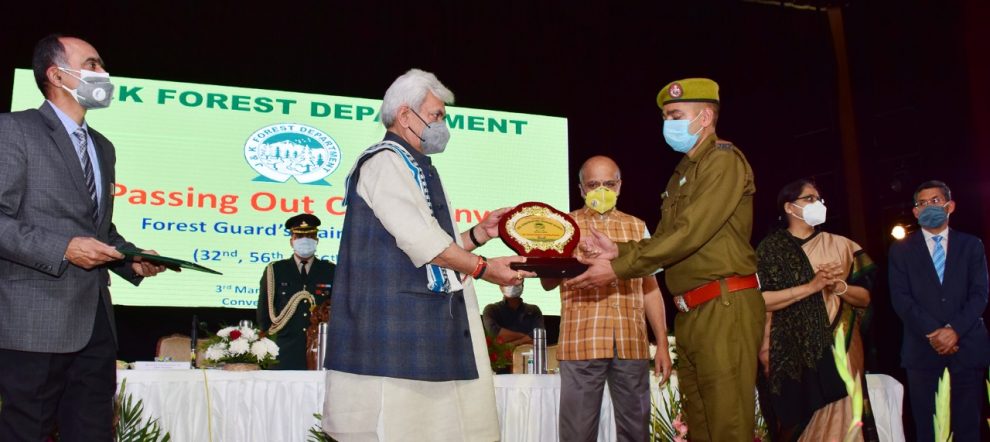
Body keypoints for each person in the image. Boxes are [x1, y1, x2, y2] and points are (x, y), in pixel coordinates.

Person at [321, 68, 533, 441]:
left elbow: (431, 243)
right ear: (405, 116)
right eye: (436, 115)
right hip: (397, 333)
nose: (442, 125)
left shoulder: (415, 164)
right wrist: (485, 269)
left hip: (427, 326)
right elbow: (423, 242)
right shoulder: (385, 163)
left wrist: (479, 234)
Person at [567, 78, 764, 441]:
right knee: (701, 426)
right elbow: (664, 240)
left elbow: (689, 233)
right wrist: (619, 251)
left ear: (705, 117)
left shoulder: (723, 161)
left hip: (724, 304)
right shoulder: (682, 174)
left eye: (675, 115)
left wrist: (619, 267)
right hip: (691, 311)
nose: (667, 124)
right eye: (665, 117)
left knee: (728, 426)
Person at [0, 34, 169, 440]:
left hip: (96, 323)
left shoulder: (103, 147)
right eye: (92, 64)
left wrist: (131, 259)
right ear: (57, 75)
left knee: (92, 432)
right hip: (34, 321)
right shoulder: (14, 129)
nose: (103, 73)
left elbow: (99, 230)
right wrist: (63, 248)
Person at [543, 155, 672, 441]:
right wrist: (571, 258)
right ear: (581, 189)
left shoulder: (638, 227)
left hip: (631, 343)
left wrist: (662, 343)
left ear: (620, 186)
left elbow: (650, 288)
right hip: (581, 343)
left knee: (636, 433)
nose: (602, 190)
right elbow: (547, 283)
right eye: (593, 185)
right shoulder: (564, 226)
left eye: (609, 184)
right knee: (577, 434)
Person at [754, 179, 876, 441]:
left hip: (842, 344)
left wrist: (839, 286)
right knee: (798, 422)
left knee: (845, 418)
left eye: (819, 199)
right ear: (789, 207)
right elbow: (760, 302)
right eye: (809, 198)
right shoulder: (769, 251)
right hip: (790, 352)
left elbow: (866, 298)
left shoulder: (843, 246)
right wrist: (812, 287)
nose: (817, 203)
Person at [889, 180, 989, 442]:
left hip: (967, 349)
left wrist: (954, 331)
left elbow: (980, 294)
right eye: (922, 203)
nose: (928, 207)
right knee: (929, 430)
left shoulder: (971, 245)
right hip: (922, 353)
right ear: (915, 212)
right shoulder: (901, 250)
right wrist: (935, 333)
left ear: (950, 206)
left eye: (935, 201)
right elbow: (901, 299)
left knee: (969, 428)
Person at [257, 213, 335, 370]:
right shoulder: (276, 270)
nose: (305, 240)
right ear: (291, 241)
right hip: (283, 350)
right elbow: (264, 311)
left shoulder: (330, 270)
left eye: (310, 236)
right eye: (299, 236)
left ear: (317, 240)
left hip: (319, 349)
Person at [482, 281, 545, 346]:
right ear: (500, 287)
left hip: (528, 352)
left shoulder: (533, 310)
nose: (512, 287)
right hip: (502, 353)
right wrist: (525, 337)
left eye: (517, 282)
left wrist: (511, 344)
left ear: (522, 286)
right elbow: (493, 332)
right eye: (508, 283)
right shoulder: (491, 310)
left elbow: (539, 335)